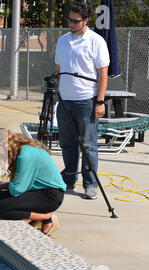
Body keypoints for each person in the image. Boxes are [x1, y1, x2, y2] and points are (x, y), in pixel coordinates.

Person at [54, 1, 110, 200]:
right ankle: (69, 178)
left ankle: (90, 184)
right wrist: (58, 96)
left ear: (85, 21)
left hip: (86, 101)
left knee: (88, 146)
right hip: (65, 101)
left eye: (75, 21)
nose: (70, 23)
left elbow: (103, 73)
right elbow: (59, 71)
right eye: (69, 19)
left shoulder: (96, 41)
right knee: (67, 144)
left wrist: (100, 101)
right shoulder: (63, 41)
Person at [0, 129, 66, 235]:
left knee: (2, 207)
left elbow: (16, 190)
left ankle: (46, 218)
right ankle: (39, 217)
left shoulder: (25, 155)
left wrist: (4, 189)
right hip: (41, 191)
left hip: (50, 196)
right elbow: (21, 183)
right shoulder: (27, 147)